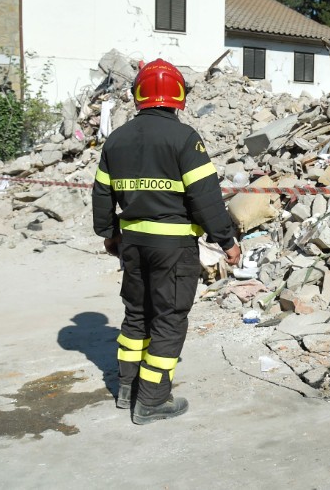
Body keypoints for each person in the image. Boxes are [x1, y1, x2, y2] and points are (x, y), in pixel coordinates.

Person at [91, 58, 240, 425]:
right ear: (178, 96)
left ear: (138, 94)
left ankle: (127, 389)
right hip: (172, 249)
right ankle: (153, 400)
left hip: (133, 243)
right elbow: (206, 198)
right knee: (169, 320)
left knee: (136, 314)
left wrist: (110, 235)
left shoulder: (117, 139)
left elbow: (100, 194)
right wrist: (227, 241)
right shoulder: (184, 138)